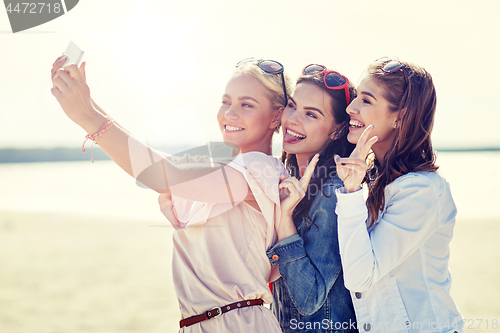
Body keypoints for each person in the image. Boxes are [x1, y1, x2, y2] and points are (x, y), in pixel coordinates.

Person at [50, 56, 296, 332]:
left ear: (276, 116)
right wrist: (86, 102)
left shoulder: (260, 169)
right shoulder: (221, 171)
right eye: (226, 101)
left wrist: (88, 117)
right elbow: (154, 160)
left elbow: (159, 173)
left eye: (246, 105)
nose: (229, 114)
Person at [334, 58, 464, 333]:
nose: (350, 108)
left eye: (366, 100)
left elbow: (360, 277)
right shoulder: (370, 181)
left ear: (400, 116)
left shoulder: (421, 191)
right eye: (356, 96)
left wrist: (351, 192)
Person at [266, 65, 358, 332]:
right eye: (292, 106)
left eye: (311, 114)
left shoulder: (332, 192)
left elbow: (309, 298)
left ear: (338, 130)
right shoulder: (289, 181)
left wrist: (284, 219)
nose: (292, 119)